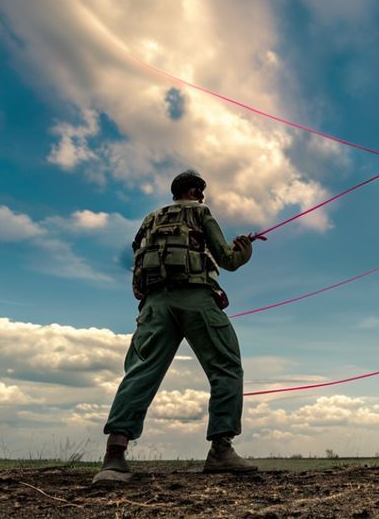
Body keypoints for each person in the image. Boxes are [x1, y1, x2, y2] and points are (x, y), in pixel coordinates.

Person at [94, 170, 257, 483]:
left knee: (140, 372)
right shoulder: (201, 213)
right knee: (226, 367)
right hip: (197, 299)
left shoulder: (150, 220)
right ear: (195, 192)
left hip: (155, 305)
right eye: (201, 192)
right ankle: (221, 451)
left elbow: (137, 260)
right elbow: (227, 260)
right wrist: (244, 252)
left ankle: (114, 457)